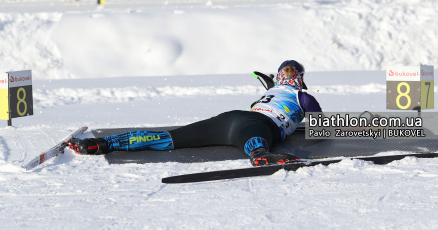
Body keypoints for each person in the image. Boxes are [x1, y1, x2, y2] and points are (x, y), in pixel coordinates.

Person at [68, 60, 323, 166]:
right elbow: (320, 126)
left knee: (168, 138)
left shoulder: (272, 92)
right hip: (257, 126)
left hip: (229, 119)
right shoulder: (303, 96)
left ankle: (99, 144)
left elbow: (275, 96)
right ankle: (260, 155)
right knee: (257, 144)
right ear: (300, 79)